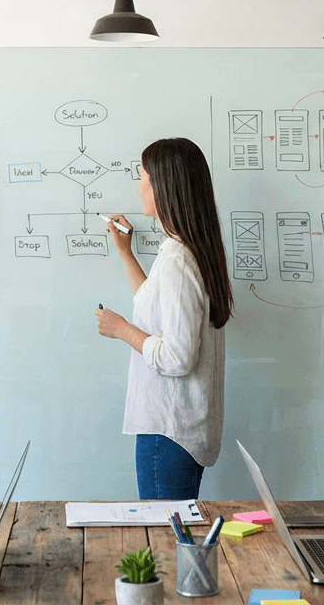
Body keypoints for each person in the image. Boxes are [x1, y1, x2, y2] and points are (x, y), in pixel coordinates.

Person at [95, 137, 233, 500]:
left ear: (164, 186)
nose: (139, 187)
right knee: (173, 537)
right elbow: (156, 307)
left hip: (168, 432)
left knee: (164, 542)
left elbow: (177, 356)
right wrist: (126, 253)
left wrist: (121, 329)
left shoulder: (176, 259)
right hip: (180, 430)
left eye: (143, 178)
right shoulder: (189, 250)